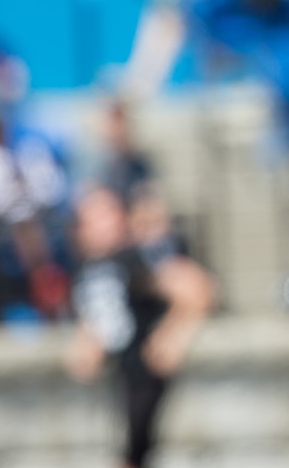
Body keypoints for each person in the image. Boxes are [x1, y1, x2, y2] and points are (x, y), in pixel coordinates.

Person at [64, 184, 215, 468]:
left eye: (106, 214)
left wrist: (174, 334)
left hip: (145, 376)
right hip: (119, 377)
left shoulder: (136, 258)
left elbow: (197, 288)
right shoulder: (88, 267)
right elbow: (99, 314)